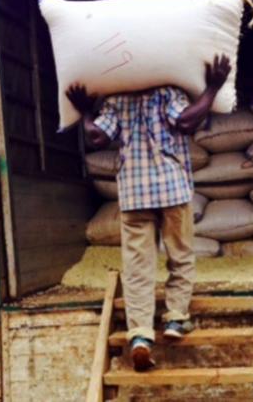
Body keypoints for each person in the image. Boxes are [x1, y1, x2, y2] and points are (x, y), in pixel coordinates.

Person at [66, 54, 231, 371]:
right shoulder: (168, 91)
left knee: (137, 267)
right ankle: (176, 319)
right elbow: (185, 121)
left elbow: (97, 136)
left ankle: (140, 335)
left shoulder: (115, 100)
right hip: (172, 188)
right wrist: (211, 90)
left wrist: (87, 112)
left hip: (134, 192)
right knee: (180, 255)